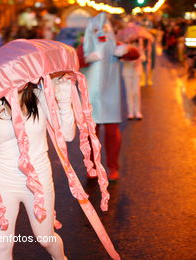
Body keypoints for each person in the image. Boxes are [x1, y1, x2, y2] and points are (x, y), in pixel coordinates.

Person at [0, 76, 75, 260]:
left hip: (38, 181)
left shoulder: (40, 96)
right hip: (4, 182)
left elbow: (67, 134)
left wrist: (65, 102)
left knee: (46, 239)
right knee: (2, 243)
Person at [79, 13, 129, 181]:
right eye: (96, 29)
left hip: (110, 96)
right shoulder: (85, 46)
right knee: (90, 133)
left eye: (105, 28)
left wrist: (126, 50)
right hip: (91, 96)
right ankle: (92, 166)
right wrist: (86, 59)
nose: (101, 32)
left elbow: (133, 54)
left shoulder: (115, 45)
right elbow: (75, 61)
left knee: (112, 133)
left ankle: (113, 167)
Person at [122, 39, 144, 120]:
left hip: (136, 72)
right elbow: (120, 58)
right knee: (129, 92)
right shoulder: (124, 48)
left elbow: (143, 57)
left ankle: (137, 111)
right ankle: (130, 112)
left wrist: (139, 59)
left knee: (136, 92)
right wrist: (125, 58)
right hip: (127, 72)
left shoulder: (139, 47)